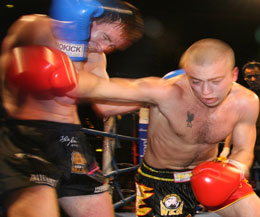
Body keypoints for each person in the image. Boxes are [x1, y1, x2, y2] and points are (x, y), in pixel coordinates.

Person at [63, 38, 260, 217]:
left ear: (234, 75)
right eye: (196, 81)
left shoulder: (246, 101)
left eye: (215, 81)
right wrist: (70, 59)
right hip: (161, 180)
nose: (206, 91)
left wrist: (235, 168)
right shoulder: (166, 92)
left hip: (209, 172)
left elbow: (243, 149)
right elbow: (99, 93)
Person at [0, 0, 143, 216]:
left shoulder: (97, 57)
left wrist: (154, 97)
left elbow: (104, 106)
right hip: (27, 137)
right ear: (90, 18)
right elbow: (4, 67)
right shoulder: (36, 27)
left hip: (71, 140)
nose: (104, 48)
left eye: (112, 46)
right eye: (105, 37)